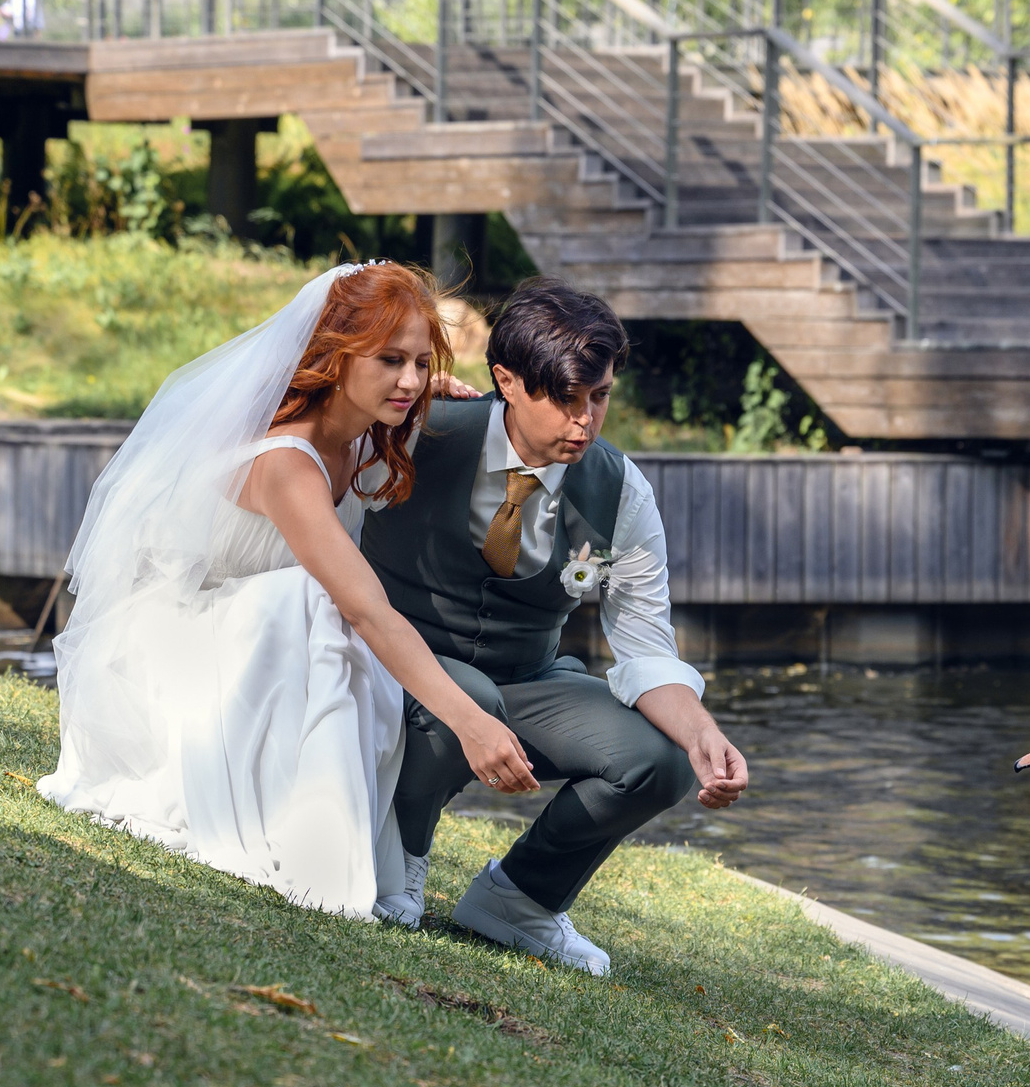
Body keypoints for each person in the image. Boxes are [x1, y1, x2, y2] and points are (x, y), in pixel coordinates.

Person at [37, 263, 529, 918]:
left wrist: (420, 387)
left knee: (314, 605)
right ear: (334, 352)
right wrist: (472, 723)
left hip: (251, 640)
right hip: (176, 649)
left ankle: (334, 832)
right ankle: (315, 843)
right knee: (317, 600)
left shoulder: (358, 432)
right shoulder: (286, 464)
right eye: (388, 360)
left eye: (419, 361)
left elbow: (402, 396)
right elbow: (365, 607)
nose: (410, 380)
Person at [361, 277, 748, 975]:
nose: (585, 421)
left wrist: (702, 734)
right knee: (467, 697)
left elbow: (643, 644)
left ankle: (519, 900)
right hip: (402, 664)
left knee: (657, 761)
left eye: (598, 397)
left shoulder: (621, 490)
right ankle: (397, 864)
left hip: (528, 679)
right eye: (565, 399)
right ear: (506, 380)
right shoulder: (415, 430)